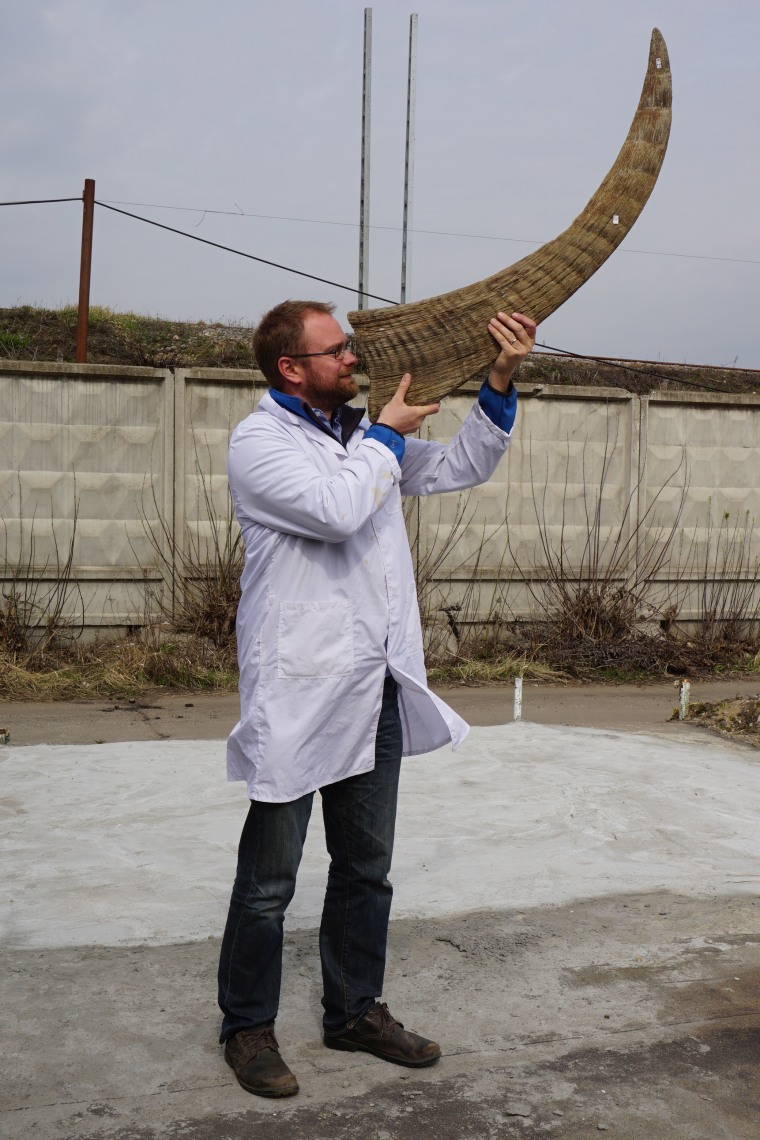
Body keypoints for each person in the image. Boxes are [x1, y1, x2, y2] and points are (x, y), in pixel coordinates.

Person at [218, 299, 536, 1097]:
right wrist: (388, 434)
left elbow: (462, 465)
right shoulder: (259, 443)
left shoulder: (365, 439)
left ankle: (354, 1010)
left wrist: (498, 378)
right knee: (270, 880)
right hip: (297, 688)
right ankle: (247, 1027)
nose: (353, 360)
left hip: (373, 685)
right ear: (292, 368)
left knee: (366, 867)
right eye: (337, 351)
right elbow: (335, 510)